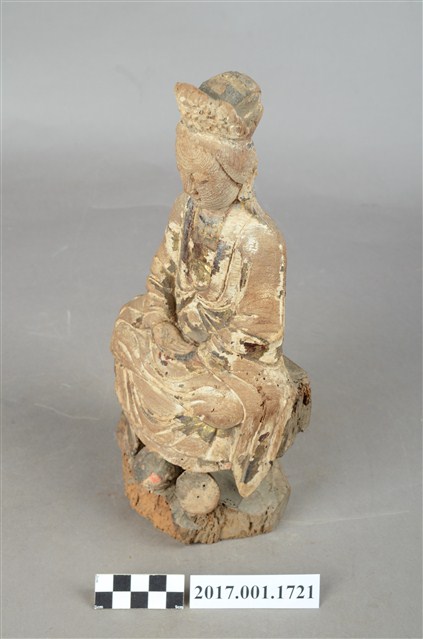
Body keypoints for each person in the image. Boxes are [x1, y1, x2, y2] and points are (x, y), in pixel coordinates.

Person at [111, 72, 296, 498]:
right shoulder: (185, 209)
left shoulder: (259, 240)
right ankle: (158, 444)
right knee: (125, 326)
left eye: (204, 179)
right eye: (184, 173)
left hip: (228, 363)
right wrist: (160, 323)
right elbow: (161, 274)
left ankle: (192, 461)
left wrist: (196, 355)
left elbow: (259, 334)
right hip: (177, 336)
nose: (191, 186)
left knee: (214, 404)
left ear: (237, 175)